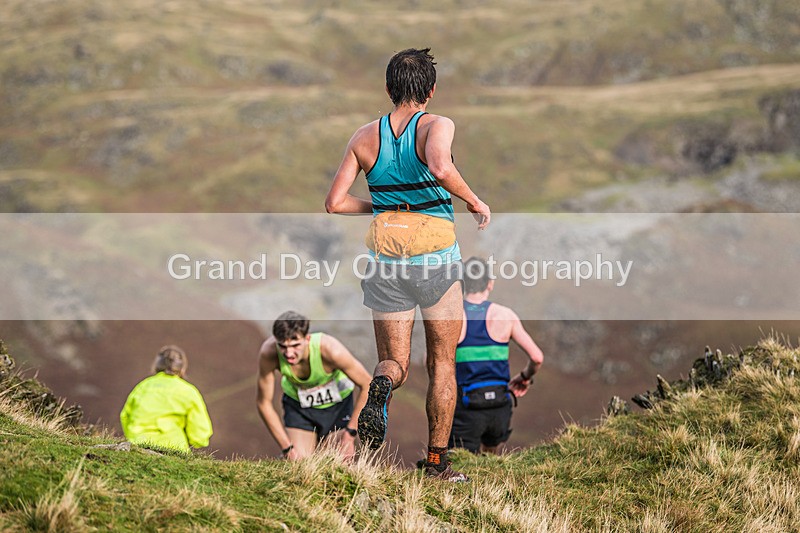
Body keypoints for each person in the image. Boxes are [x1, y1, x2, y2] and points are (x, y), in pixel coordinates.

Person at [325, 47, 491, 481]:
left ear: (388, 88)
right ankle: (437, 464)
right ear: (431, 90)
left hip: (385, 262)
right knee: (442, 362)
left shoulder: (363, 137)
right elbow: (439, 167)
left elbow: (335, 203)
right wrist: (473, 200)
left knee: (393, 363)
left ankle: (380, 388)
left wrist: (384, 207)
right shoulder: (437, 125)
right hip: (435, 261)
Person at [450, 257, 544, 454]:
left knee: (460, 463)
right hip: (500, 404)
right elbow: (537, 357)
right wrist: (524, 377)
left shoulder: (453, 316)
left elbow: (431, 362)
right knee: (491, 464)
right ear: (490, 284)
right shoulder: (505, 315)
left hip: (465, 407)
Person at [256, 311, 372, 460]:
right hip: (299, 408)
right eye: (283, 346)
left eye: (295, 345)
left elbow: (367, 384)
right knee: (299, 464)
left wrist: (349, 436)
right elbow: (263, 403)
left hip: (338, 407)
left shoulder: (331, 350)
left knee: (335, 463)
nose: (289, 353)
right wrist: (287, 448)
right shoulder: (269, 353)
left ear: (307, 338)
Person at [120, 345, 213, 453]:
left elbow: (125, 416)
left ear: (156, 365)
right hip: (174, 449)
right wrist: (195, 441)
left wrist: (133, 436)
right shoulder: (188, 391)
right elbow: (200, 434)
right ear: (182, 368)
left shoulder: (142, 387)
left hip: (138, 445)